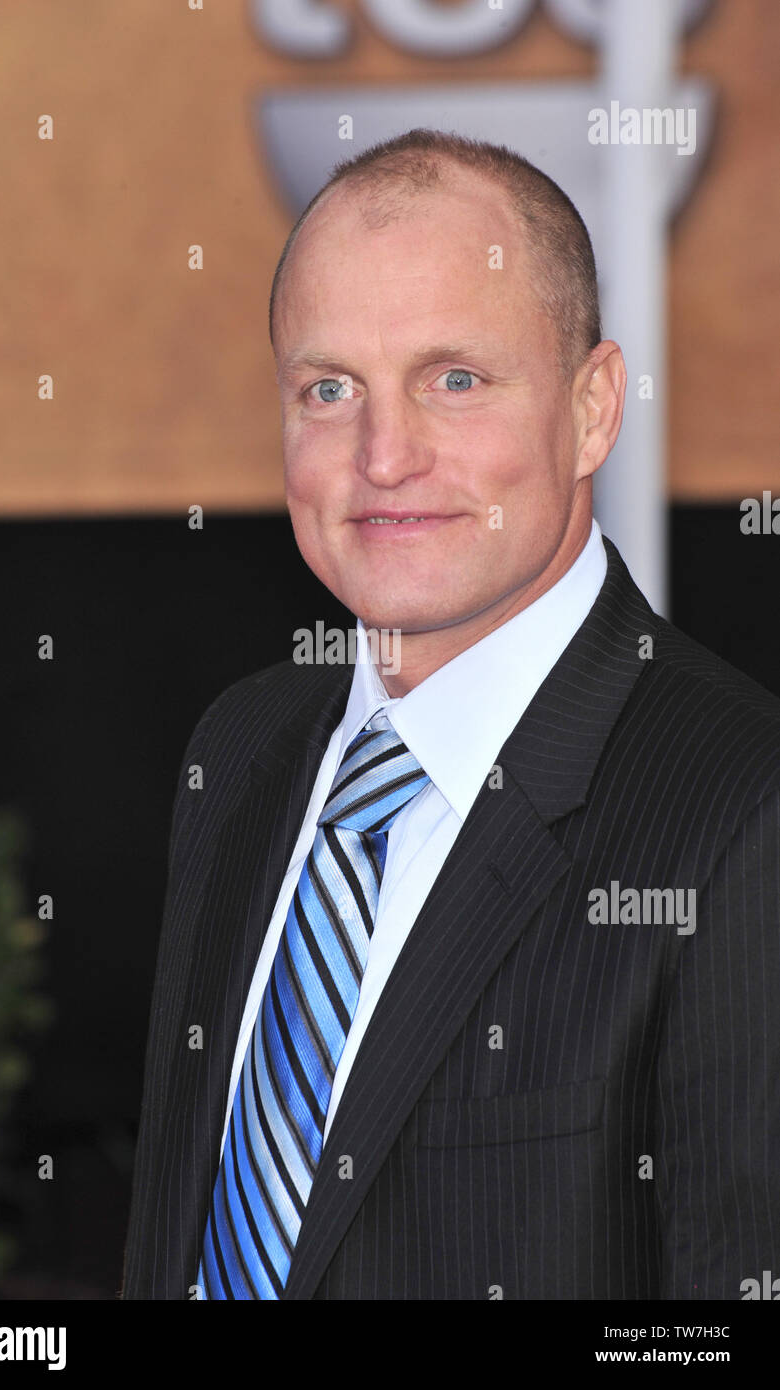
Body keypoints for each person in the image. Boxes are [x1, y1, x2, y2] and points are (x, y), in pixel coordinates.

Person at [122, 129, 780, 1300]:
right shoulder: (240, 749)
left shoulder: (741, 807)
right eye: (329, 389)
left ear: (591, 410)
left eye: (455, 380)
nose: (383, 456)